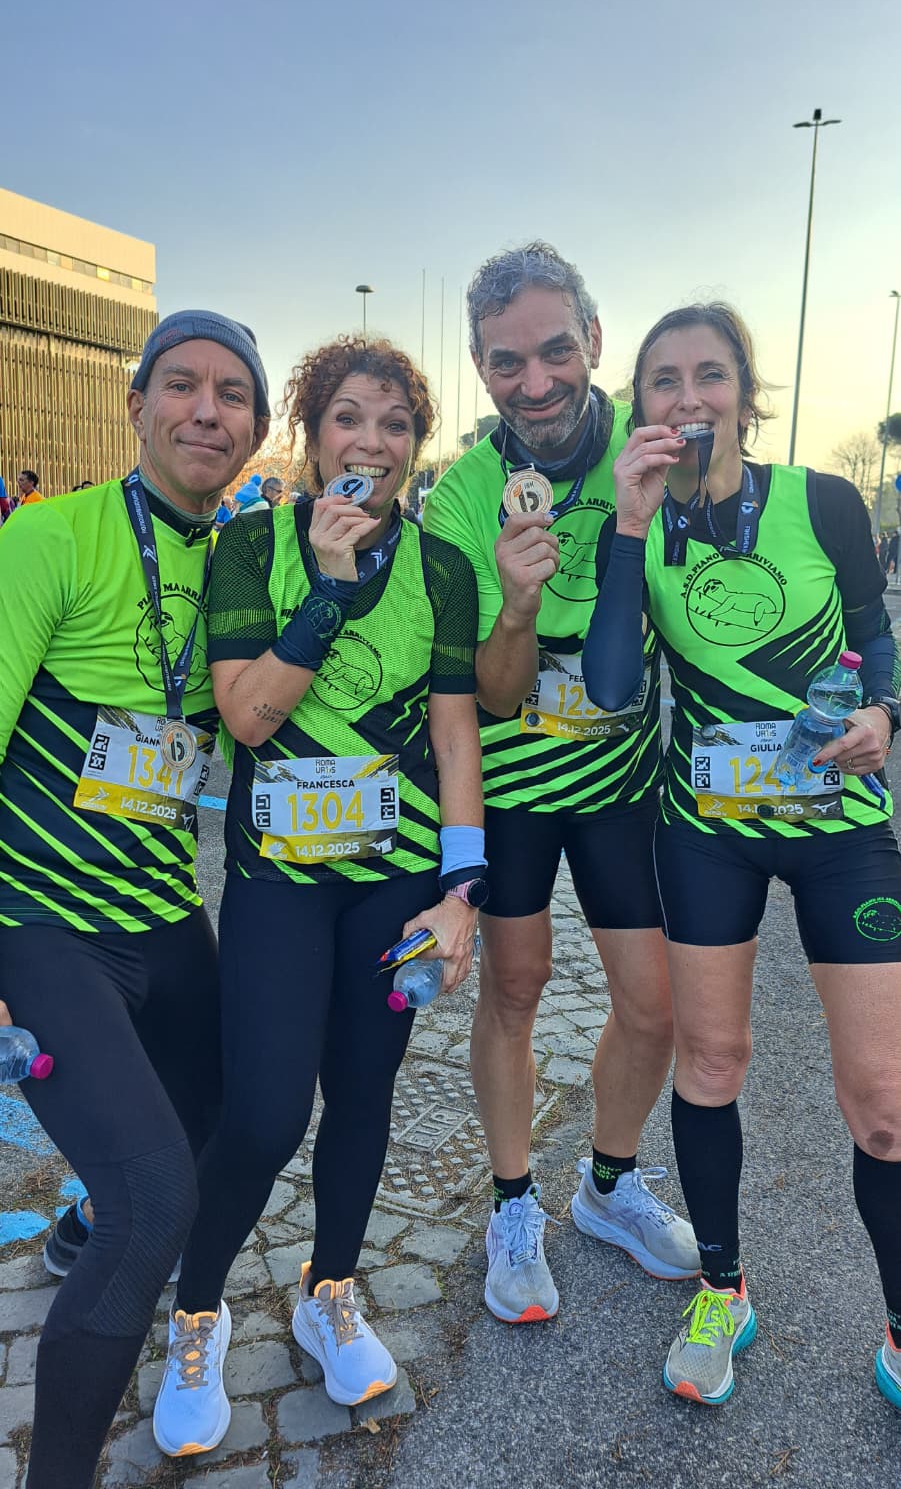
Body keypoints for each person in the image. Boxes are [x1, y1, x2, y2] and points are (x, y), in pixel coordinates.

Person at [152, 335, 485, 1456]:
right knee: (262, 1113)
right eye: (349, 417)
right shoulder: (253, 545)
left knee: (364, 1094)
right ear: (309, 434)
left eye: (395, 424)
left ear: (415, 445)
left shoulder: (443, 568)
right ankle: (197, 1312)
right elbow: (246, 717)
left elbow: (454, 735)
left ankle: (330, 1286)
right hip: (279, 882)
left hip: (392, 885)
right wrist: (329, 593)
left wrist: (462, 890)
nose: (371, 443)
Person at [584, 302, 901, 1410]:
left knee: (883, 1097)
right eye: (662, 381)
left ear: (744, 396)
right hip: (707, 830)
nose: (687, 398)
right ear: (639, 406)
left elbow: (875, 633)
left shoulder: (823, 501)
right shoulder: (637, 522)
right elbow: (610, 687)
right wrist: (629, 526)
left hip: (837, 826)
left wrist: (886, 710)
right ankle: (721, 1289)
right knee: (712, 1061)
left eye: (708, 375)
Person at [0, 309, 269, 1488]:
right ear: (136, 405)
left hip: (165, 916)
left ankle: (74, 1223)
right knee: (153, 1200)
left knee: (230, 1123)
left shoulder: (250, 563)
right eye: (182, 384)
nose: (206, 410)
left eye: (232, 394)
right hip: (44, 927)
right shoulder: (49, 536)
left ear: (256, 431)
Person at [423, 243, 698, 1325]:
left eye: (552, 351)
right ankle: (510, 1203)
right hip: (516, 788)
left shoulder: (653, 442)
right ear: (480, 368)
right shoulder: (462, 497)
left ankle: (608, 1184)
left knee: (653, 1003)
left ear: (592, 338)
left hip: (621, 783)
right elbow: (489, 698)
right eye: (506, 362)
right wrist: (517, 609)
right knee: (516, 988)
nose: (533, 383)